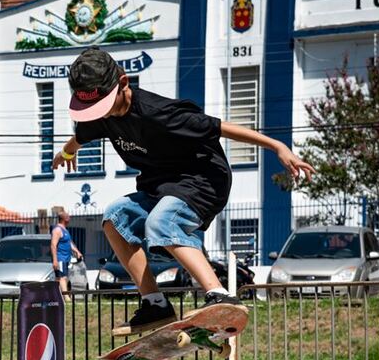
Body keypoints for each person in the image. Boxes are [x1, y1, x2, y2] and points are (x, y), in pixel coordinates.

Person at [52, 47, 314, 334]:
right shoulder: (102, 116)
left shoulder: (160, 114)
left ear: (123, 83)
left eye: (103, 106)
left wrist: (278, 146)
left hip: (204, 180)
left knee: (161, 222)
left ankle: (220, 295)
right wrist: (65, 154)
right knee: (114, 217)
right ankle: (155, 304)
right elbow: (79, 137)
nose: (101, 116)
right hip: (162, 186)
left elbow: (221, 128)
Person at [51, 210, 83, 293]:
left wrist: (77, 251)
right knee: (62, 277)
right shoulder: (57, 230)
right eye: (68, 217)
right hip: (60, 258)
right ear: (64, 219)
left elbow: (69, 243)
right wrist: (55, 260)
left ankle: (56, 296)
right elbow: (53, 245)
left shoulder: (65, 230)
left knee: (59, 279)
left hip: (66, 258)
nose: (70, 218)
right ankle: (66, 297)